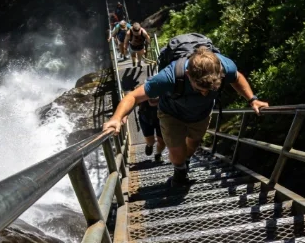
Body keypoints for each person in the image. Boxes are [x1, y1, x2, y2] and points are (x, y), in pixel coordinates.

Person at [102, 46, 270, 188]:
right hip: (171, 114)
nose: (205, 92)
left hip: (201, 114)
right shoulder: (168, 77)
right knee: (177, 151)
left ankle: (184, 161)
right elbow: (133, 96)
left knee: (194, 143)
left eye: (210, 88)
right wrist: (116, 118)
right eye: (200, 88)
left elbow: (237, 77)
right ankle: (180, 170)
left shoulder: (225, 66)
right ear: (188, 74)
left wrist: (252, 100)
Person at [138, 96, 166, 162]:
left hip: (162, 118)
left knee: (162, 141)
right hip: (146, 117)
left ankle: (158, 155)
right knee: (150, 141)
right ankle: (149, 145)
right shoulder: (142, 88)